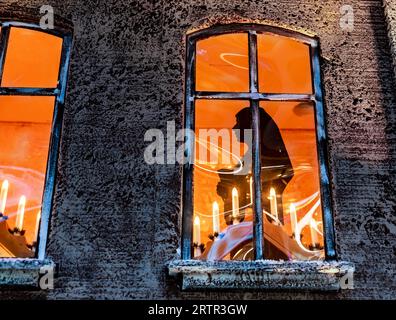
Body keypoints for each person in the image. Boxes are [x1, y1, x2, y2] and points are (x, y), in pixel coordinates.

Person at [216, 107, 294, 260]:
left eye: (238, 123)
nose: (234, 128)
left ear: (250, 126)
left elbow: (284, 174)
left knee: (271, 256)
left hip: (267, 225)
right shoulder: (248, 156)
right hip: (244, 227)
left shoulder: (269, 155)